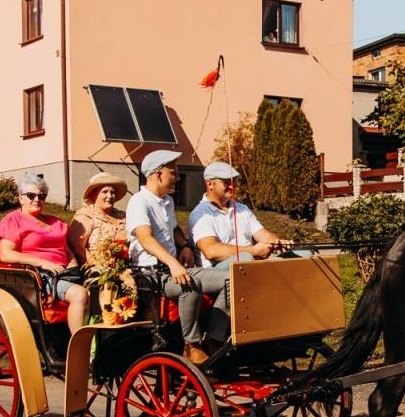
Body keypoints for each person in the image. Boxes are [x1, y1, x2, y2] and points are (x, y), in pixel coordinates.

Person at [126, 150, 229, 365]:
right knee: (189, 284)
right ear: (158, 175)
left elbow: (173, 229)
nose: (178, 177)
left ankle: (213, 338)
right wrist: (173, 263)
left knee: (232, 279)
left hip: (171, 270)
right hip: (150, 274)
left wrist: (185, 246)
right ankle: (191, 345)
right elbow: (146, 239)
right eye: (173, 172)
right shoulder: (139, 201)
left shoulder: (167, 201)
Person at [0, 173, 90, 328]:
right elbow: (6, 254)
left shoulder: (55, 222)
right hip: (39, 277)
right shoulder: (14, 220)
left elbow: (65, 248)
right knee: (79, 294)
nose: (37, 199)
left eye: (41, 196)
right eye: (31, 195)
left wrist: (72, 261)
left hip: (68, 273)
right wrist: (42, 262)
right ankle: (79, 342)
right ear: (21, 198)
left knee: (99, 288)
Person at [189, 161, 291, 265]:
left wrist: (277, 242)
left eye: (234, 182)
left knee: (296, 255)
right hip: (219, 270)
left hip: (249, 264)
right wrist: (253, 251)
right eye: (226, 182)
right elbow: (211, 252)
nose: (232, 186)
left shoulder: (242, 209)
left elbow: (263, 235)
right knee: (246, 257)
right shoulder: (200, 214)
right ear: (210, 184)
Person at [72, 172, 130, 270]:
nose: (110, 196)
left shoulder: (122, 216)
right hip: (96, 270)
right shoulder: (86, 215)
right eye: (105, 192)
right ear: (94, 195)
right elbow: (76, 246)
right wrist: (98, 267)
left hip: (124, 267)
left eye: (112, 192)